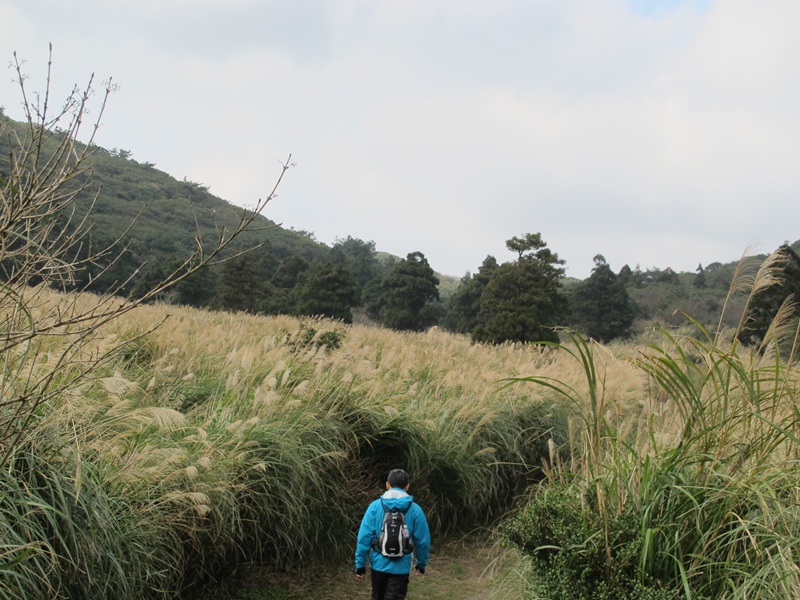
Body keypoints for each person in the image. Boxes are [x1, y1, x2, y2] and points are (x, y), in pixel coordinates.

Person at [354, 469, 431, 600]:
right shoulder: (415, 509)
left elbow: (364, 537)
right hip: (401, 567)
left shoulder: (375, 506)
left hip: (378, 563)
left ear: (387, 485)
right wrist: (421, 564)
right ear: (407, 486)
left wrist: (360, 564)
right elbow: (422, 541)